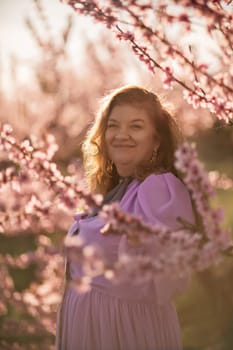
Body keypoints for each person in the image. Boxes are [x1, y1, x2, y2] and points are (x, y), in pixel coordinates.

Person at [56, 85, 195, 350]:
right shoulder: (115, 190)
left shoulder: (159, 185)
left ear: (157, 140)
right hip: (88, 328)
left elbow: (176, 271)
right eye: (113, 126)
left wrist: (142, 244)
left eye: (136, 126)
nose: (121, 135)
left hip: (125, 331)